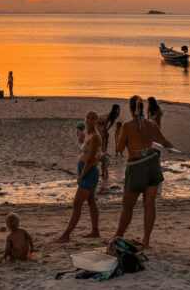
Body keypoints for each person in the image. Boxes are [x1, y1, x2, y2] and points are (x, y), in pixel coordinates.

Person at [114, 95, 173, 249]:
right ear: (144, 108)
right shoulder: (152, 125)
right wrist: (166, 146)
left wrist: (119, 133)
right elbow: (166, 143)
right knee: (150, 205)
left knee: (127, 206)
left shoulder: (127, 126)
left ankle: (117, 236)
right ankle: (146, 239)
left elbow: (120, 148)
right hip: (153, 166)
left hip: (137, 167)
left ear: (131, 109)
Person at [56, 110, 102, 242]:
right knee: (91, 202)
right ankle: (95, 231)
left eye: (93, 118)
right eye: (88, 118)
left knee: (77, 204)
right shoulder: (88, 134)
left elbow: (91, 158)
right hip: (85, 169)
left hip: (89, 171)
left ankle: (66, 235)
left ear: (96, 121)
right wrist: (81, 140)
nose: (90, 120)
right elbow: (83, 151)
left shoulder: (95, 137)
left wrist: (82, 175)